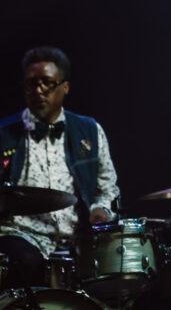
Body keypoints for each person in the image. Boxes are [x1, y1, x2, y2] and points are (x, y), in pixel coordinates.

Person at [0, 46, 119, 290]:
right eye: (31, 83)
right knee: (26, 261)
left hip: (77, 239)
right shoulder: (4, 134)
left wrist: (101, 209)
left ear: (65, 87)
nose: (38, 90)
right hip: (21, 236)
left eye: (47, 83)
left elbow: (107, 186)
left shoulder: (90, 131)